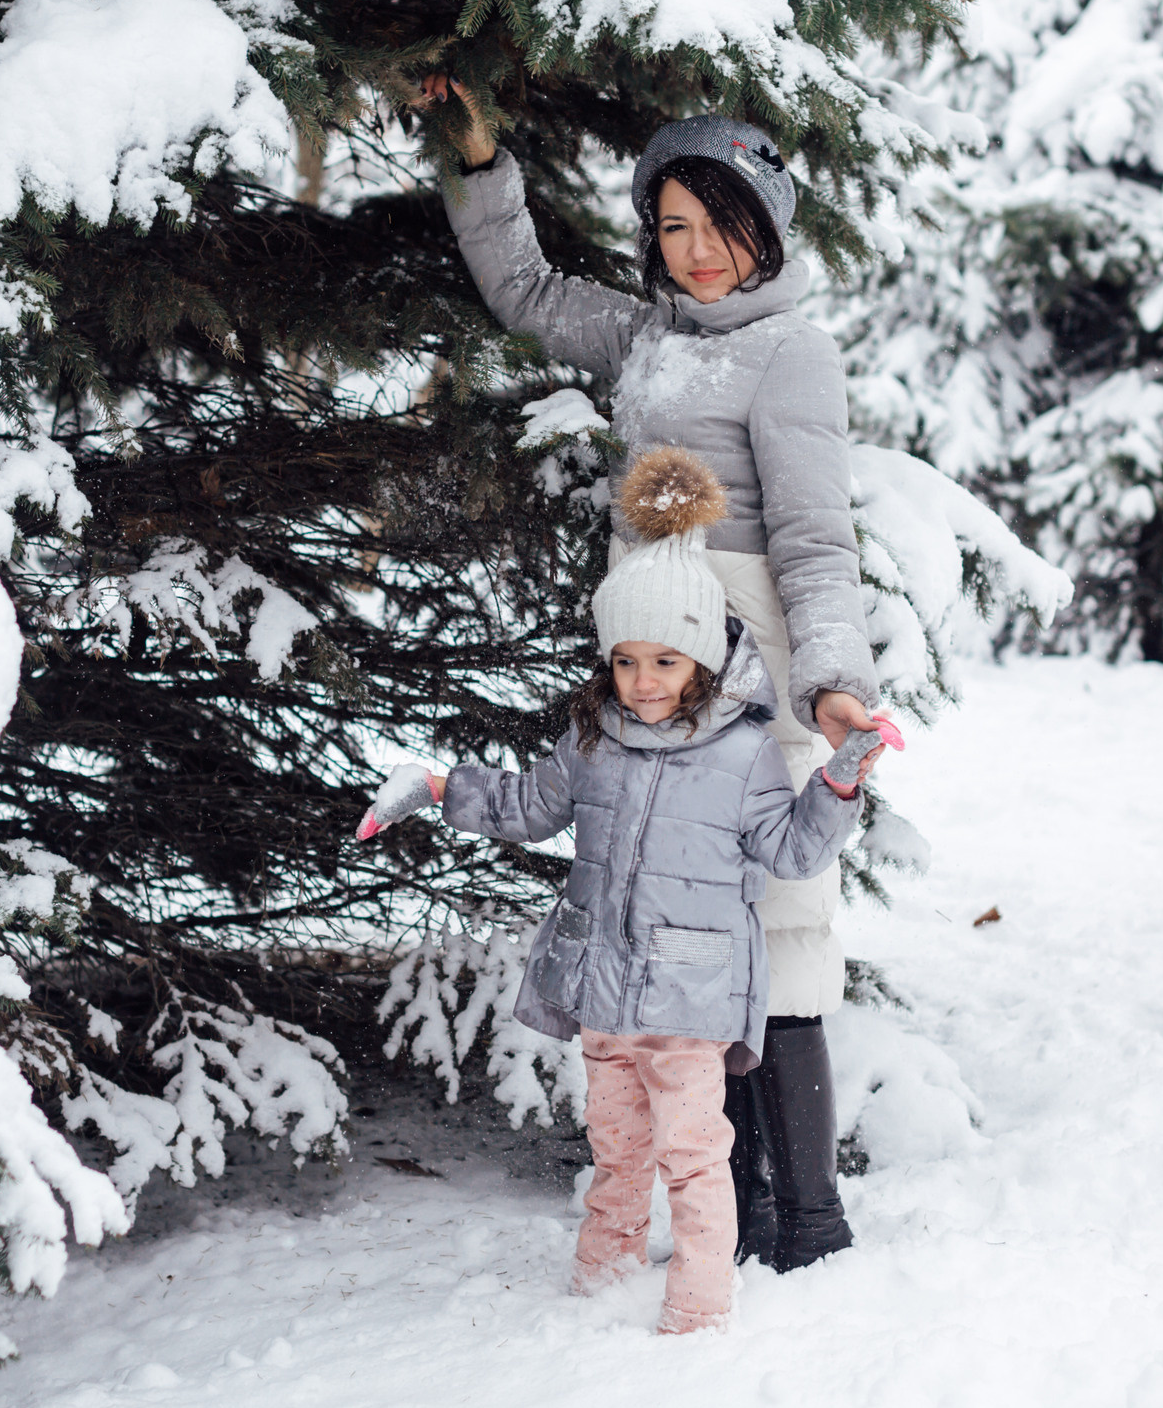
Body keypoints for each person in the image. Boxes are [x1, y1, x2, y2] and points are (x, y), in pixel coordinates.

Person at [420, 77, 877, 1272]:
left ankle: (809, 1222)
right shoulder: (646, 337)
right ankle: (740, 1213)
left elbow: (816, 542)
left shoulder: (791, 354)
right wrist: (480, 166)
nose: (698, 251)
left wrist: (831, 681)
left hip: (754, 670)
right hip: (655, 673)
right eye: (673, 225)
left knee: (780, 929)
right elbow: (524, 292)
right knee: (679, 934)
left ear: (767, 226)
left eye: (721, 224)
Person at [364, 448, 882, 1335]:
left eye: (666, 661)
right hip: (605, 995)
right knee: (617, 1152)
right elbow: (529, 806)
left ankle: (699, 1304)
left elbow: (792, 851)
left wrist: (836, 785)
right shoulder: (591, 739)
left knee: (694, 1156)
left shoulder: (744, 753)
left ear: (703, 661)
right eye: (628, 660)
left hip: (690, 1000)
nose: (644, 681)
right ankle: (602, 1283)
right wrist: (441, 786)